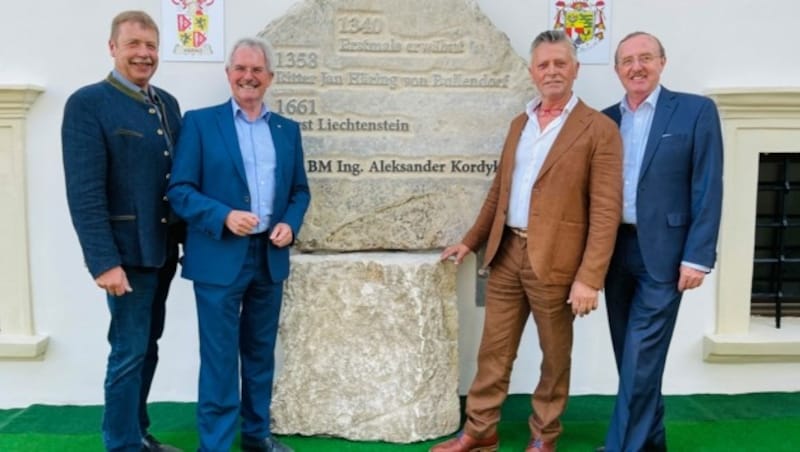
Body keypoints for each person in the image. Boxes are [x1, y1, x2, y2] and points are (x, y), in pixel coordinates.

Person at [431, 30, 622, 452]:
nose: (551, 71)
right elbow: (500, 191)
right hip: (506, 255)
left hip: (558, 260)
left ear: (574, 69)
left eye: (560, 63)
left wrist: (590, 277)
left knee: (555, 357)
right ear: (533, 72)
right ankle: (480, 431)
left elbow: (606, 211)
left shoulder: (599, 129)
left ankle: (543, 437)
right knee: (493, 352)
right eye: (543, 65)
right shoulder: (521, 123)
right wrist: (470, 242)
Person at [167, 37, 310, 452]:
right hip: (218, 258)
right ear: (228, 74)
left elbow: (300, 190)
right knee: (219, 359)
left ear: (270, 78)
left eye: (257, 71)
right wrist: (224, 216)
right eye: (241, 69)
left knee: (260, 354)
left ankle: (256, 435)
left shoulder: (287, 130)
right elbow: (180, 190)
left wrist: (289, 223)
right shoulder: (200, 123)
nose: (248, 77)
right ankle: (214, 444)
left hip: (269, 257)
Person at [61, 10, 183, 452]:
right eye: (134, 44)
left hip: (163, 252)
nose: (143, 54)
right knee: (128, 352)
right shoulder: (87, 103)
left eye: (150, 46)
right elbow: (85, 193)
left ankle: (138, 432)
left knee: (147, 347)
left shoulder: (167, 104)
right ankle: (121, 444)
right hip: (125, 259)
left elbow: (179, 180)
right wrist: (104, 262)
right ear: (113, 47)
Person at [598, 32, 723, 452]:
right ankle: (651, 442)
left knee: (640, 356)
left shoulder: (695, 111)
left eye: (645, 57)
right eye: (627, 60)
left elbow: (708, 186)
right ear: (617, 70)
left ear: (662, 62)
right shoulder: (604, 120)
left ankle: (620, 448)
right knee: (631, 358)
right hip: (615, 253)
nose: (637, 66)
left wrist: (698, 256)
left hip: (666, 256)